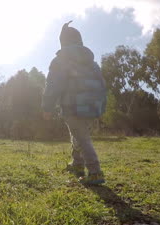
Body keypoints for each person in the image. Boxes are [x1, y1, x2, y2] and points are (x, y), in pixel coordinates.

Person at [42, 21, 107, 185]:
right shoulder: (91, 62)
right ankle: (77, 164)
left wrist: (47, 107)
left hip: (72, 106)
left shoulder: (60, 61)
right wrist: (101, 107)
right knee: (78, 135)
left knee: (82, 138)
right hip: (93, 107)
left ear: (62, 42)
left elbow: (53, 85)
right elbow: (102, 85)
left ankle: (95, 172)